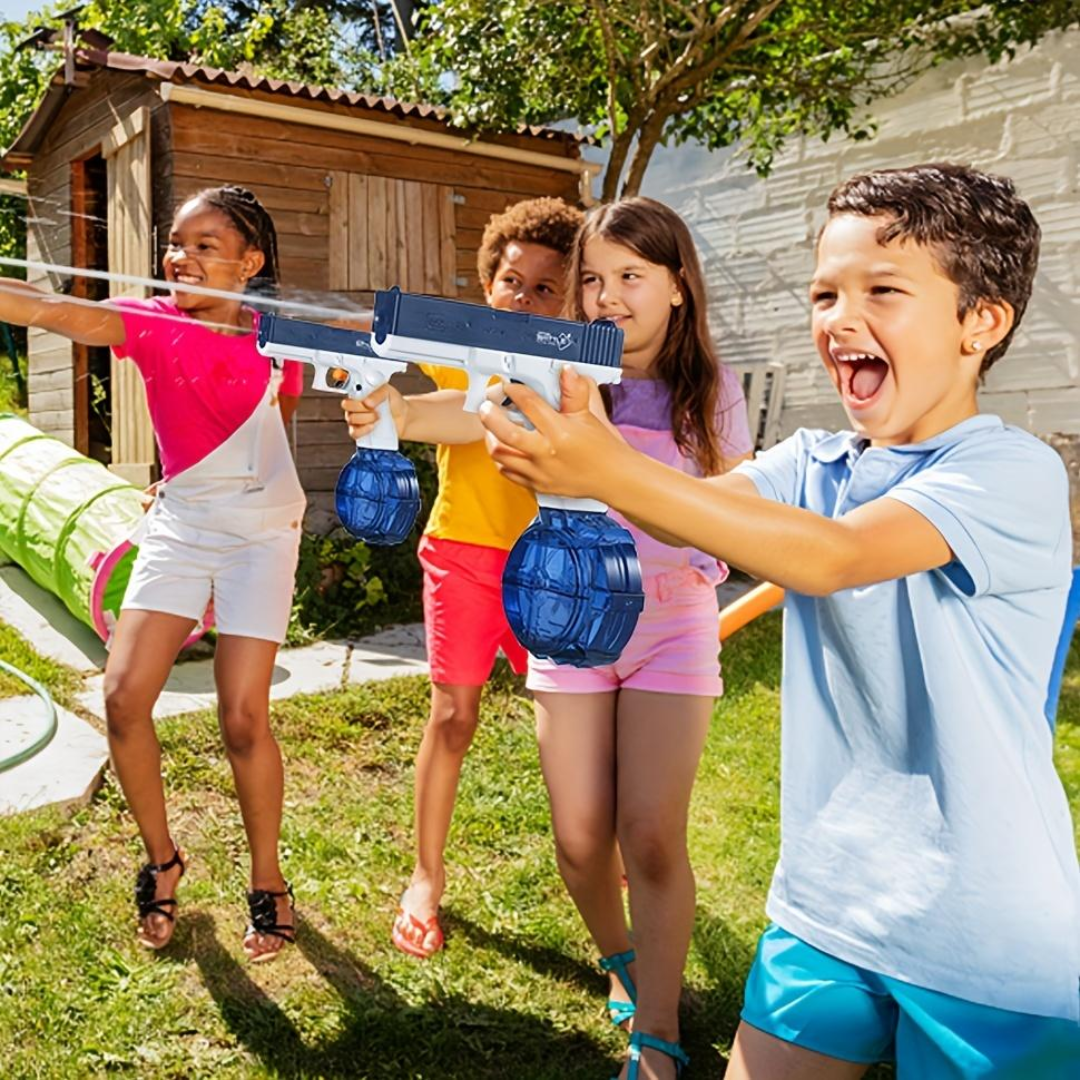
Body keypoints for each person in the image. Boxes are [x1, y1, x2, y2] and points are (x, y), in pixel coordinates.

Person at [480, 164, 1080, 1079]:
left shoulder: (1011, 472)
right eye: (825, 292)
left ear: (981, 322)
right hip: (825, 910)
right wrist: (561, 440)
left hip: (987, 940)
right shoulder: (816, 460)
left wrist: (603, 469)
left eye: (882, 290)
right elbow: (689, 508)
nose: (839, 316)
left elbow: (829, 557)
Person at [0, 185, 306, 962]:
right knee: (123, 695)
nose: (182, 257)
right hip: (181, 529)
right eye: (176, 243)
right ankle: (164, 860)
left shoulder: (281, 339)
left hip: (263, 537)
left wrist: (227, 475)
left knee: (242, 719)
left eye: (206, 245)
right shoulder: (149, 322)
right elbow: (46, 310)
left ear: (250, 262)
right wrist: (183, 482)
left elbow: (274, 421)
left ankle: (267, 880)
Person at [343, 197, 584, 957]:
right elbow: (456, 407)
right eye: (512, 282)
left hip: (556, 563)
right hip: (465, 554)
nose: (525, 298)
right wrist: (391, 409)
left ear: (571, 302)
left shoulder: (577, 364)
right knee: (452, 718)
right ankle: (425, 876)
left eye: (547, 288)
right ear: (489, 285)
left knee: (575, 729)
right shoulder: (469, 354)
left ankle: (597, 853)